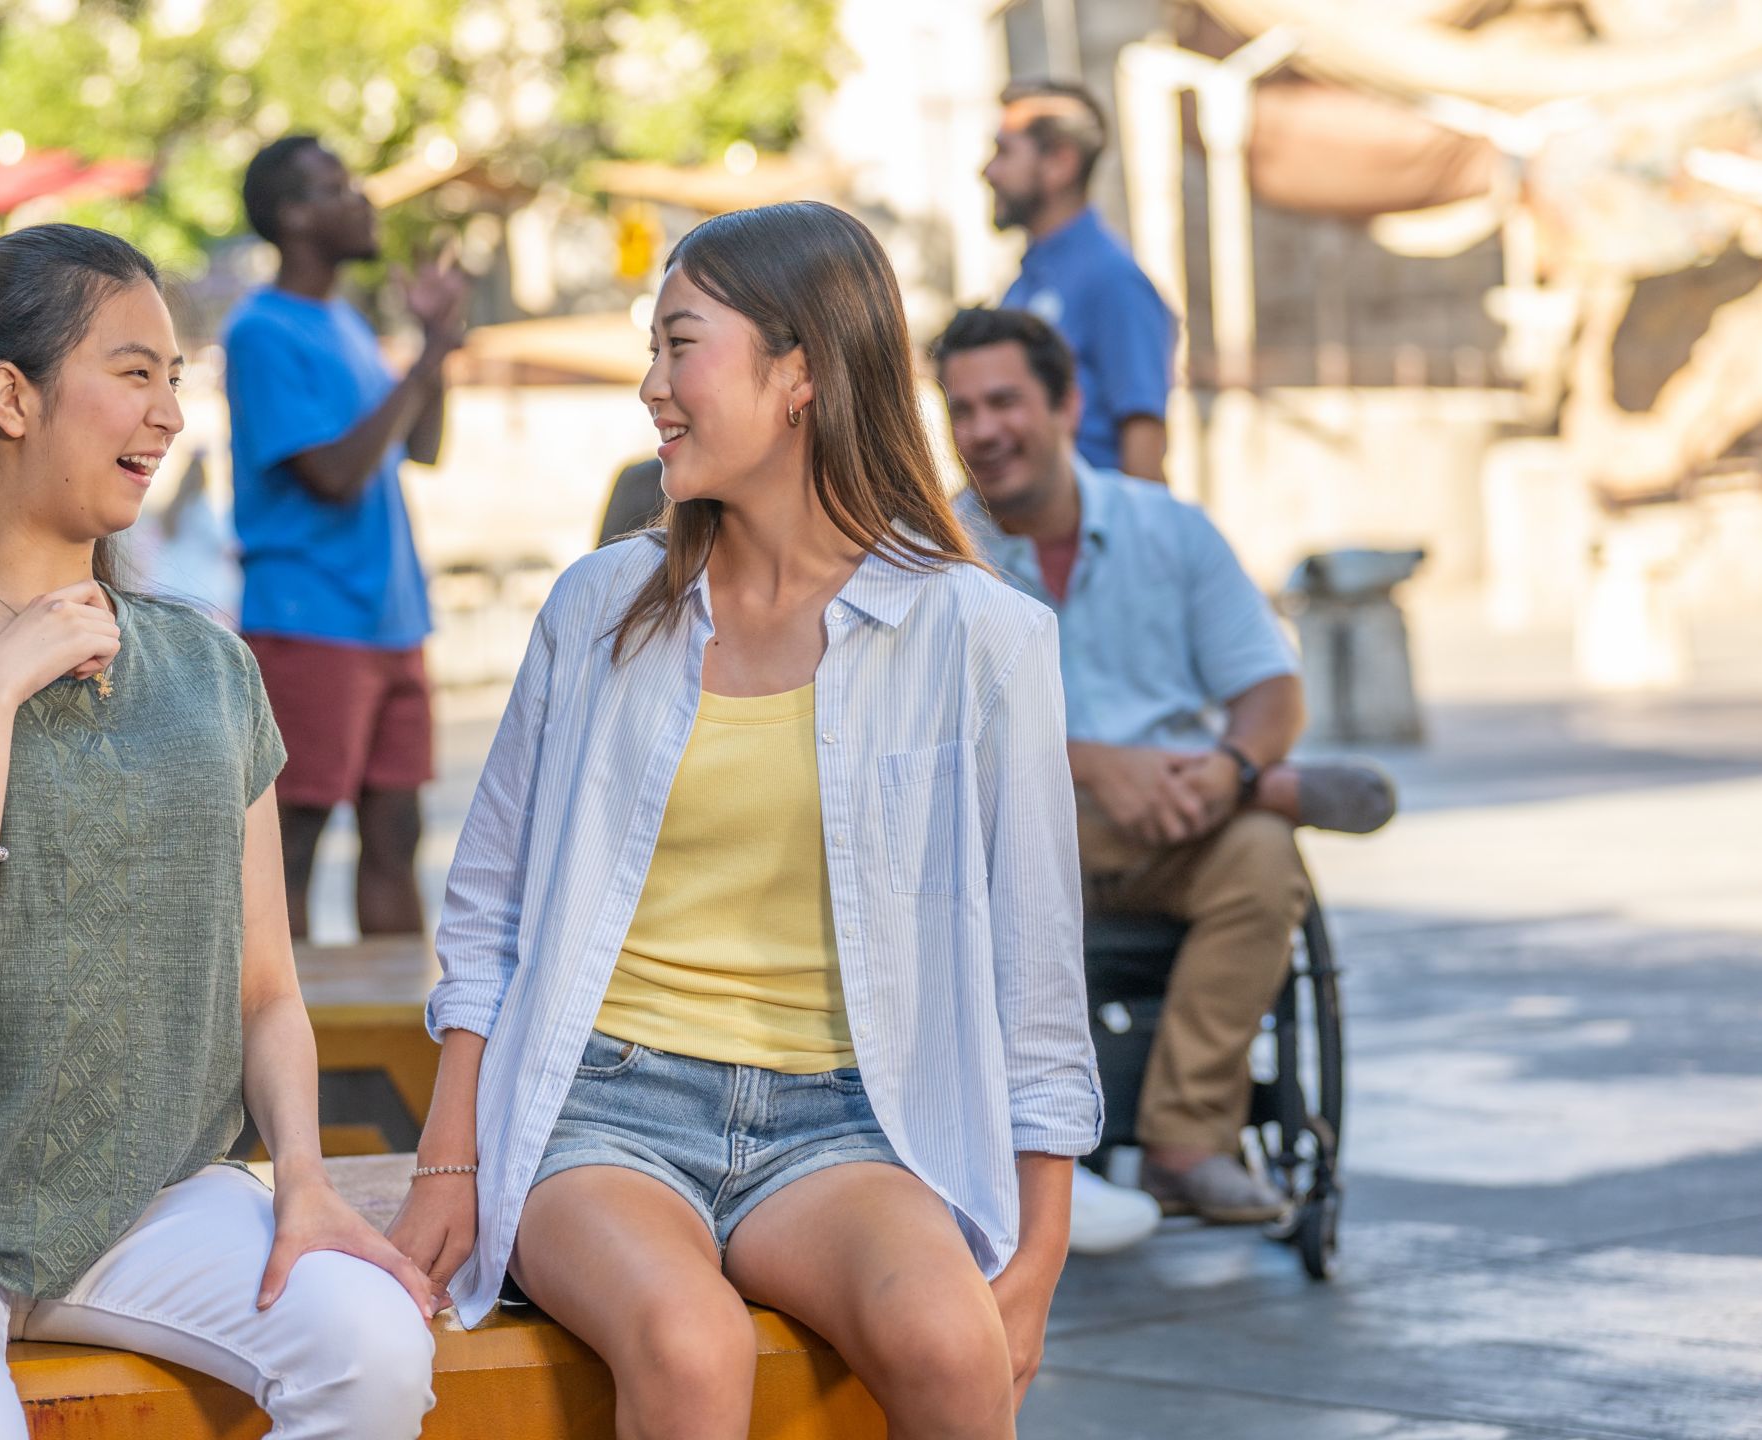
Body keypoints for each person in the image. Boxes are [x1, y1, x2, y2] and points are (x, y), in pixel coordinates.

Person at [388, 202, 1099, 1439]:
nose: (652, 387)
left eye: (680, 346)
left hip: (847, 1121)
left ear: (800, 374)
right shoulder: (601, 611)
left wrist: (1036, 1257)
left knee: (951, 1348)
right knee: (690, 1344)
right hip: (603, 1110)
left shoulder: (980, 639)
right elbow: (488, 910)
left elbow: (1034, 980)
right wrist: (449, 1161)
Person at [0, 224, 438, 1440]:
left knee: (373, 1354)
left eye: (175, 376)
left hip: (160, 1201)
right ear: (10, 394)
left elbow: (266, 987)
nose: (169, 413)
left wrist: (308, 1182)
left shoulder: (211, 668)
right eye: (134, 371)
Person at [934, 306, 1394, 1225]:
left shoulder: (1170, 533)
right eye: (962, 410)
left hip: (1182, 824)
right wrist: (1092, 765)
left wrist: (1227, 767)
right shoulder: (931, 554)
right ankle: (1275, 794)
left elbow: (1270, 689)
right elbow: (917, 732)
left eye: (1004, 402)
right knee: (1038, 808)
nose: (984, 430)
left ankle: (1186, 1142)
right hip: (1014, 844)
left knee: (1262, 856)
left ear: (1067, 404)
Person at [224, 134, 467, 940]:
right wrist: (423, 357)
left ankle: (393, 1048)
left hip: (392, 617)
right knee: (294, 840)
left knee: (397, 833)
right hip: (308, 618)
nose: (362, 200)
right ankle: (280, 1049)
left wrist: (434, 356)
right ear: (293, 215)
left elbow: (421, 448)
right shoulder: (260, 331)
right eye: (339, 187)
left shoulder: (348, 324)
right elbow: (331, 473)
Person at [986, 80, 1175, 484]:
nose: (988, 171)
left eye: (1004, 151)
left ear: (1059, 163)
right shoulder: (1026, 282)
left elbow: (1143, 453)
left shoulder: (1113, 280)